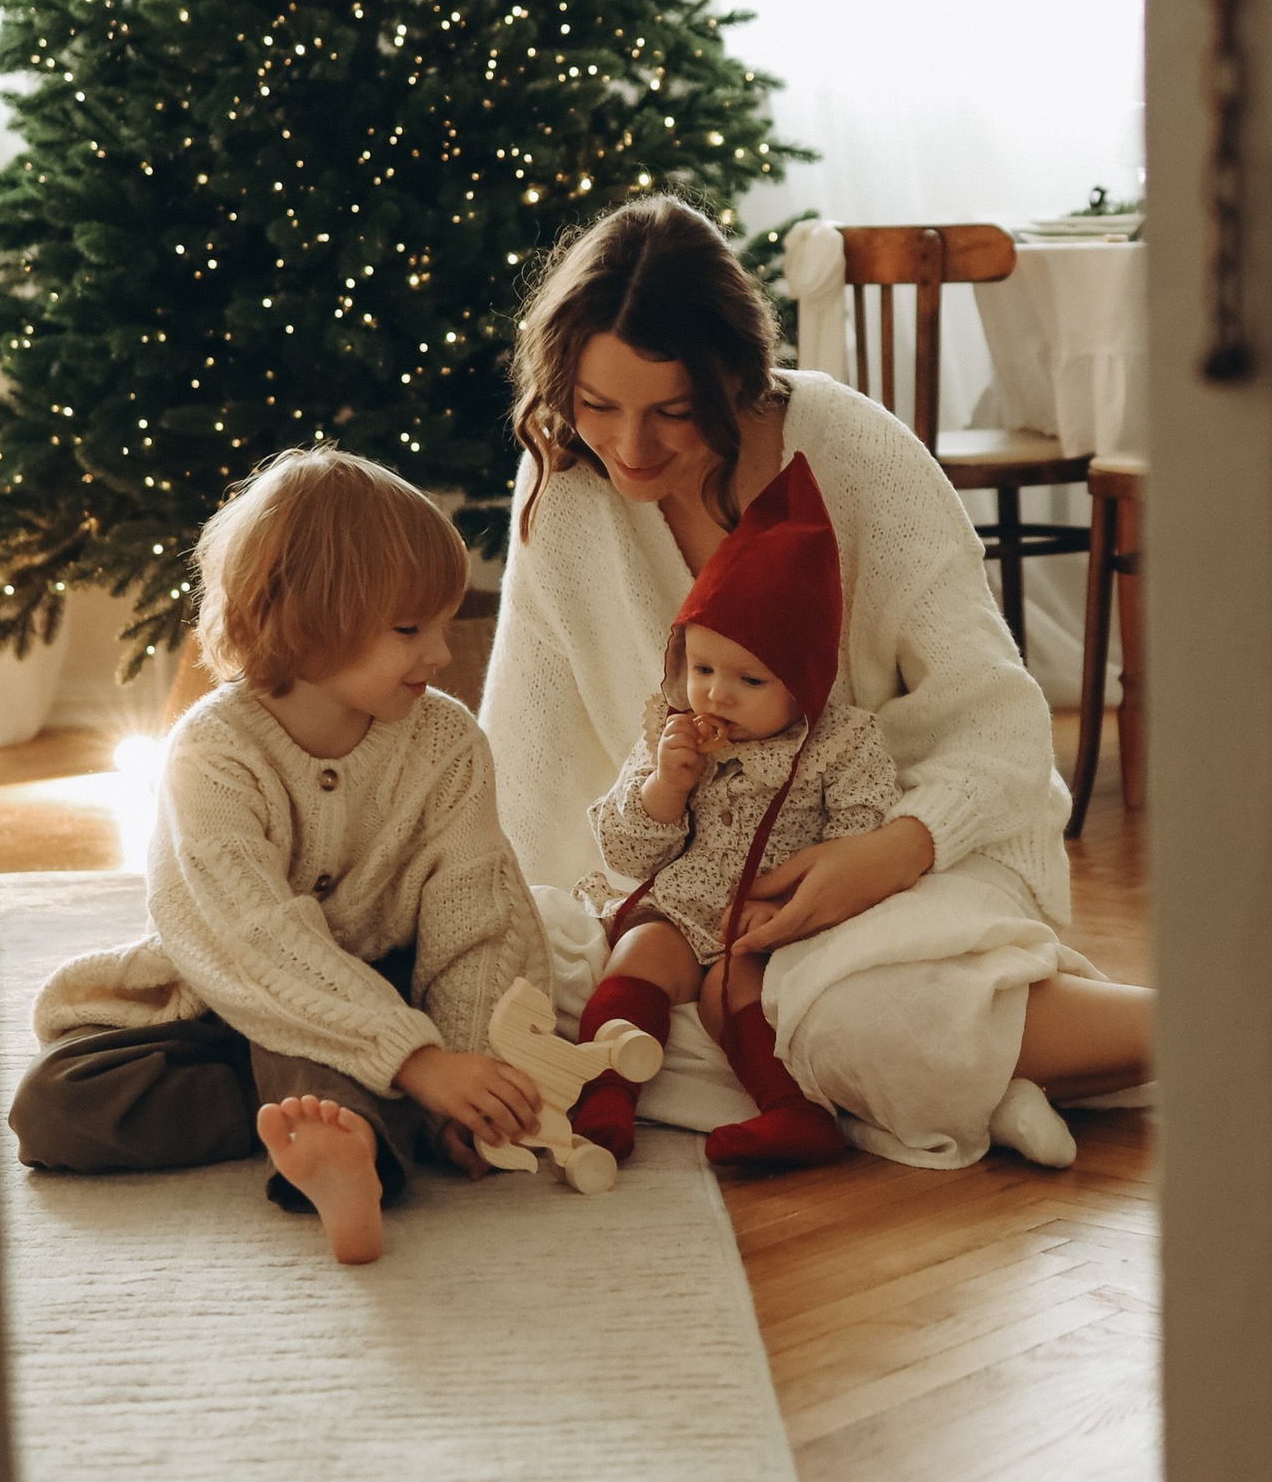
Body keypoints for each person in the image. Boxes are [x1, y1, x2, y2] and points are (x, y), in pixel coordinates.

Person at [480, 200, 1154, 1172]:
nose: (627, 447)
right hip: (687, 886)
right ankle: (979, 1081)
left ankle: (1228, 1033)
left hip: (915, 840)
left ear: (737, 382)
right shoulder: (563, 477)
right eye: (597, 405)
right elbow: (530, 734)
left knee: (846, 1014)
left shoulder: (851, 452)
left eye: (671, 411)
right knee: (541, 987)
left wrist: (889, 850)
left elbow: (1000, 725)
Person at [9, 447, 548, 1262]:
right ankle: (340, 1113)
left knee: (317, 1053)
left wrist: (461, 1073)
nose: (441, 654)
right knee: (55, 1105)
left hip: (389, 987)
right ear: (309, 621)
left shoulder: (448, 743)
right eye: (410, 630)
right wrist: (416, 1065)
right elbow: (248, 936)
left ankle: (349, 1152)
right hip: (230, 985)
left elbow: (474, 918)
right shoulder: (211, 752)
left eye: (441, 624)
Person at [577, 453, 901, 1170]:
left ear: (805, 682)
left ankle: (794, 1112)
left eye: (749, 679)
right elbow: (625, 851)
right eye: (701, 669)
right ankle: (602, 1092)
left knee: (736, 991)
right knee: (637, 955)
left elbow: (862, 828)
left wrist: (797, 903)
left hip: (773, 917)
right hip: (686, 902)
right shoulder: (671, 730)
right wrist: (667, 786)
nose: (716, 696)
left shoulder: (840, 743)